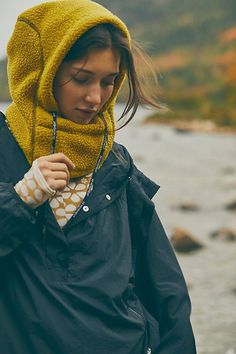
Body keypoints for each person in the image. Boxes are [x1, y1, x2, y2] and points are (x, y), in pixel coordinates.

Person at [0, 1, 196, 353]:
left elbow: (165, 288)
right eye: (81, 78)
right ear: (43, 72)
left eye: (109, 81)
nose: (96, 98)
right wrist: (20, 198)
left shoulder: (116, 163)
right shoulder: (3, 148)